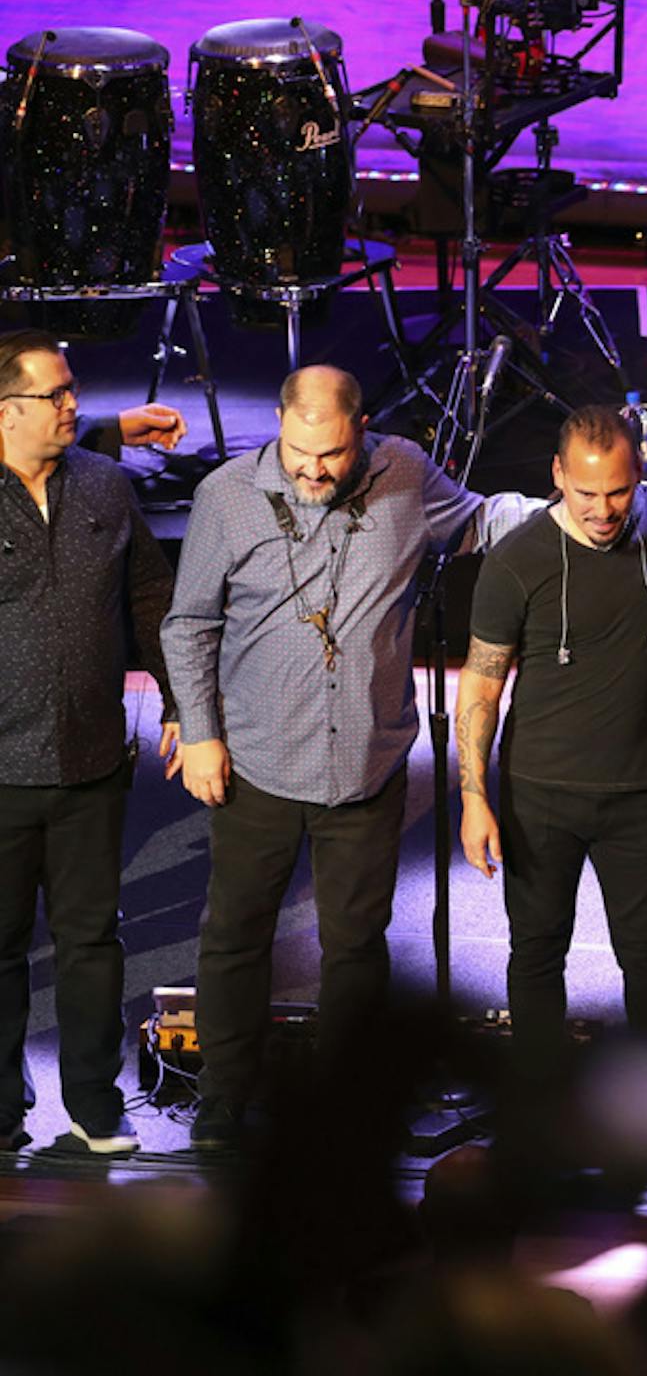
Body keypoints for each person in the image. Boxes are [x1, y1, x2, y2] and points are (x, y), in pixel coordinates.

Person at [163, 364, 534, 1147]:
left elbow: (475, 521)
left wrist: (570, 507)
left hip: (367, 759)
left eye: (330, 453)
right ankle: (224, 1098)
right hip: (256, 759)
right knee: (235, 932)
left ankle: (346, 1106)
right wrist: (199, 730)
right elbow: (187, 622)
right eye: (299, 450)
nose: (313, 469)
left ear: (361, 429)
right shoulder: (227, 496)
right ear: (278, 421)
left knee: (357, 944)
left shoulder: (405, 472)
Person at [457, 405, 647, 1062]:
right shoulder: (518, 560)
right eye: (585, 493)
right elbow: (482, 683)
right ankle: (542, 1111)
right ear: (557, 474)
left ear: (641, 476)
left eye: (618, 492)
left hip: (641, 791)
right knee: (539, 951)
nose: (603, 510)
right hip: (540, 793)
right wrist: (473, 796)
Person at [0, 331, 179, 1156]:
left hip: (91, 762)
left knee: (91, 942)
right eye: (57, 394)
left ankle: (94, 1103)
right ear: (8, 411)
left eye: (73, 391)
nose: (74, 404)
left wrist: (179, 699)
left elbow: (150, 596)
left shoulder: (104, 485)